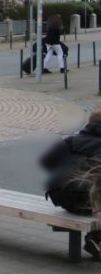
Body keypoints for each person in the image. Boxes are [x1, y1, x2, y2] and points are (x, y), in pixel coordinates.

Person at [40, 110, 101, 259]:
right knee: (95, 192)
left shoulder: (71, 141)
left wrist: (64, 167)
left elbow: (46, 161)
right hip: (88, 199)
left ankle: (95, 240)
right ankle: (95, 239)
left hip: (60, 194)